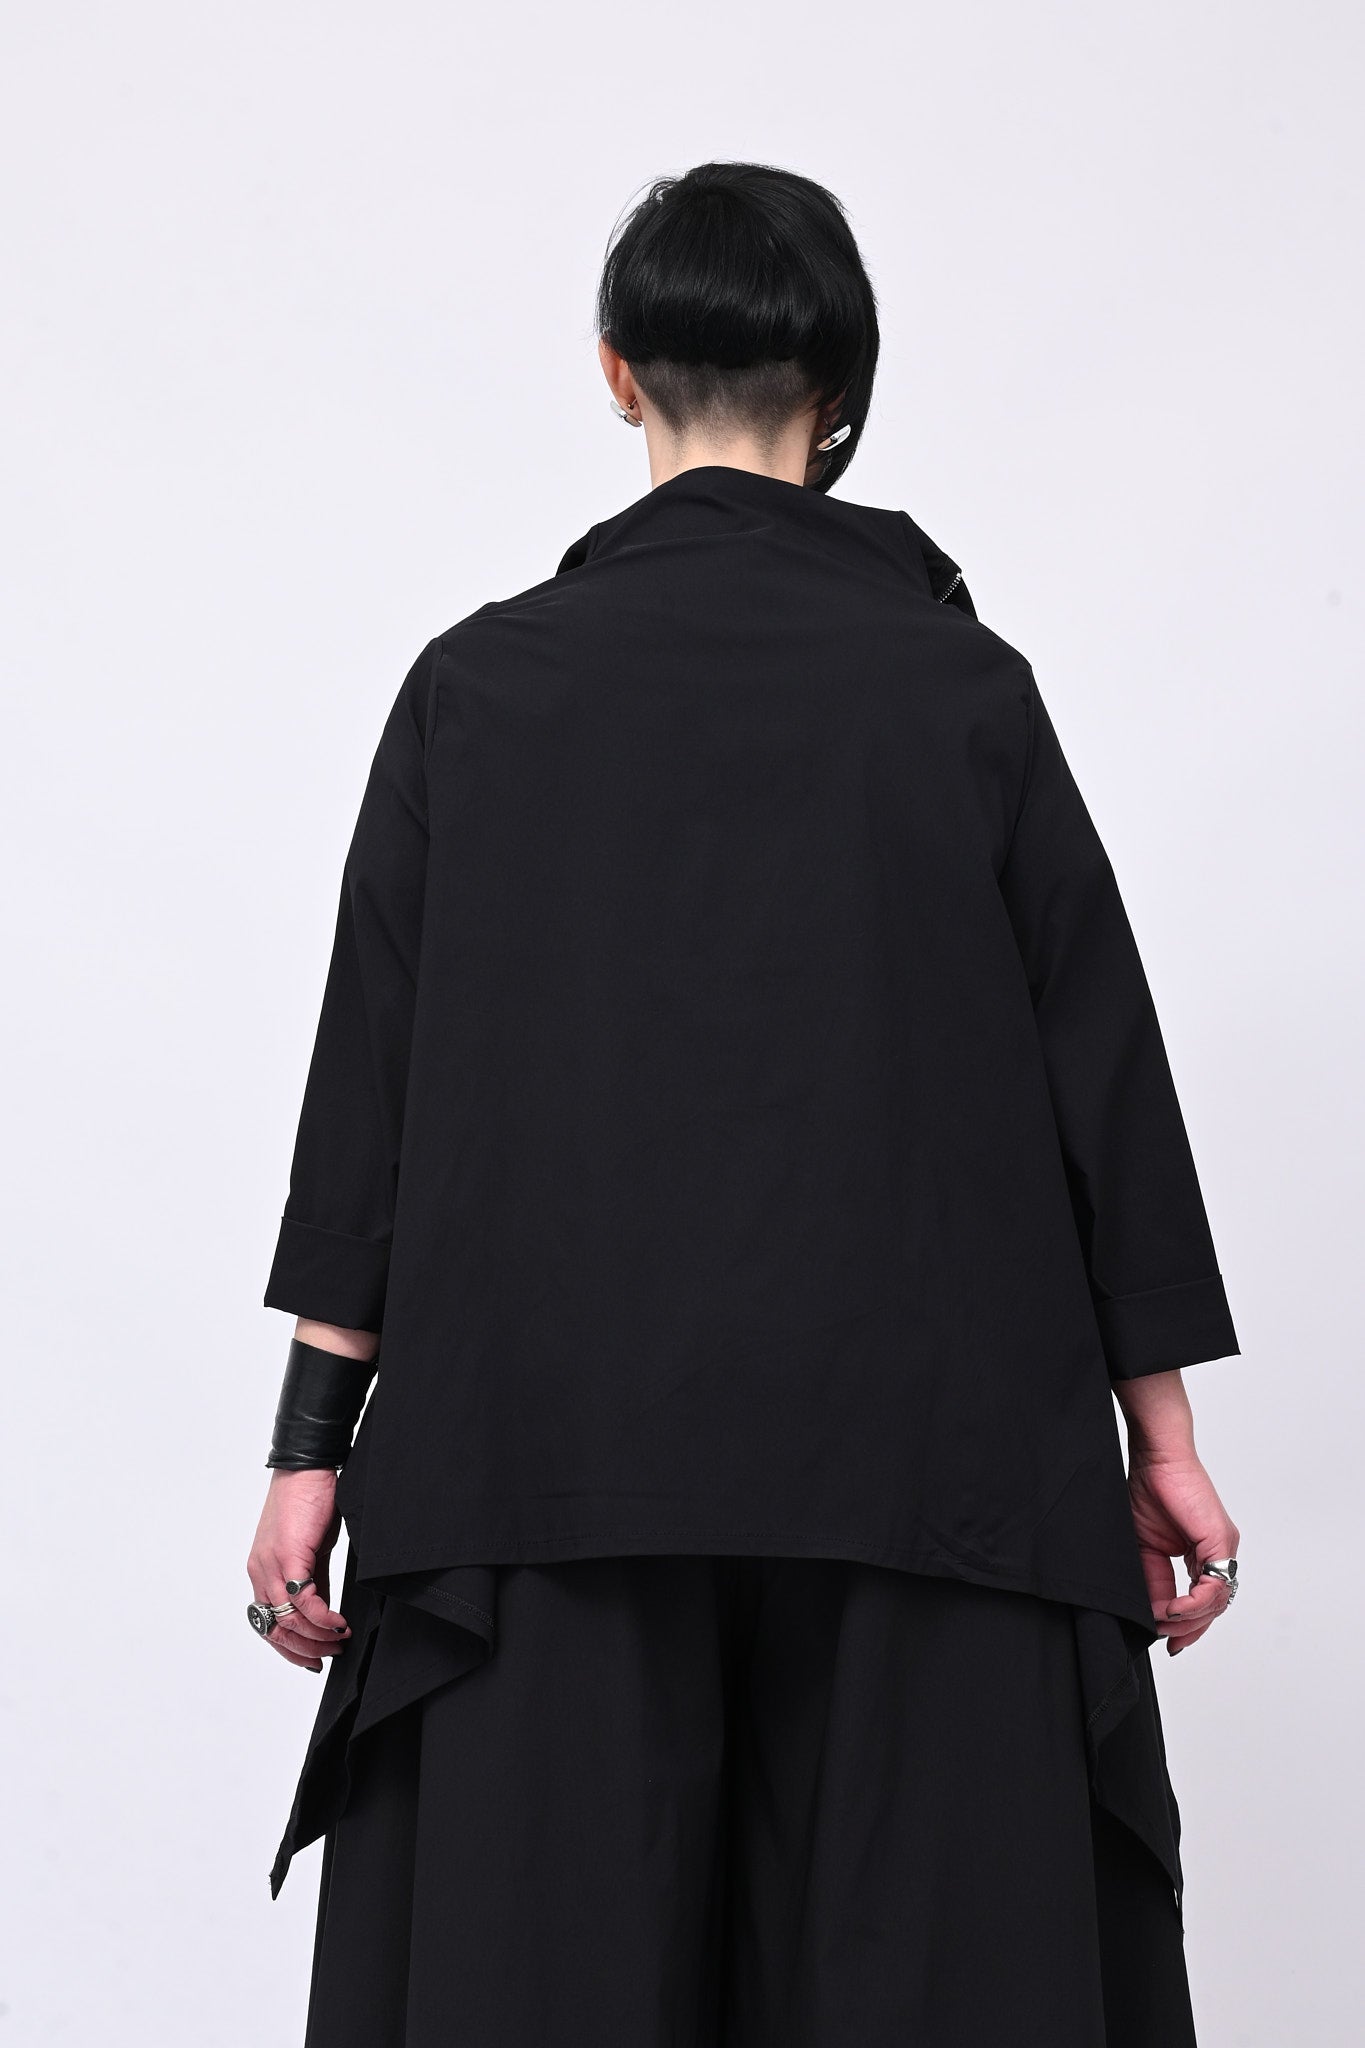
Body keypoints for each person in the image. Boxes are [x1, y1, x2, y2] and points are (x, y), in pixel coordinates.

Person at [246, 161, 1242, 2046]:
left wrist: (311, 1445)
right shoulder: (964, 693)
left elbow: (371, 1091)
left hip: (543, 1459)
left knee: (543, 1995)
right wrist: (1161, 1433)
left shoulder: (475, 692)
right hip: (930, 1467)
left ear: (616, 372)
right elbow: (1098, 1072)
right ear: (839, 394)